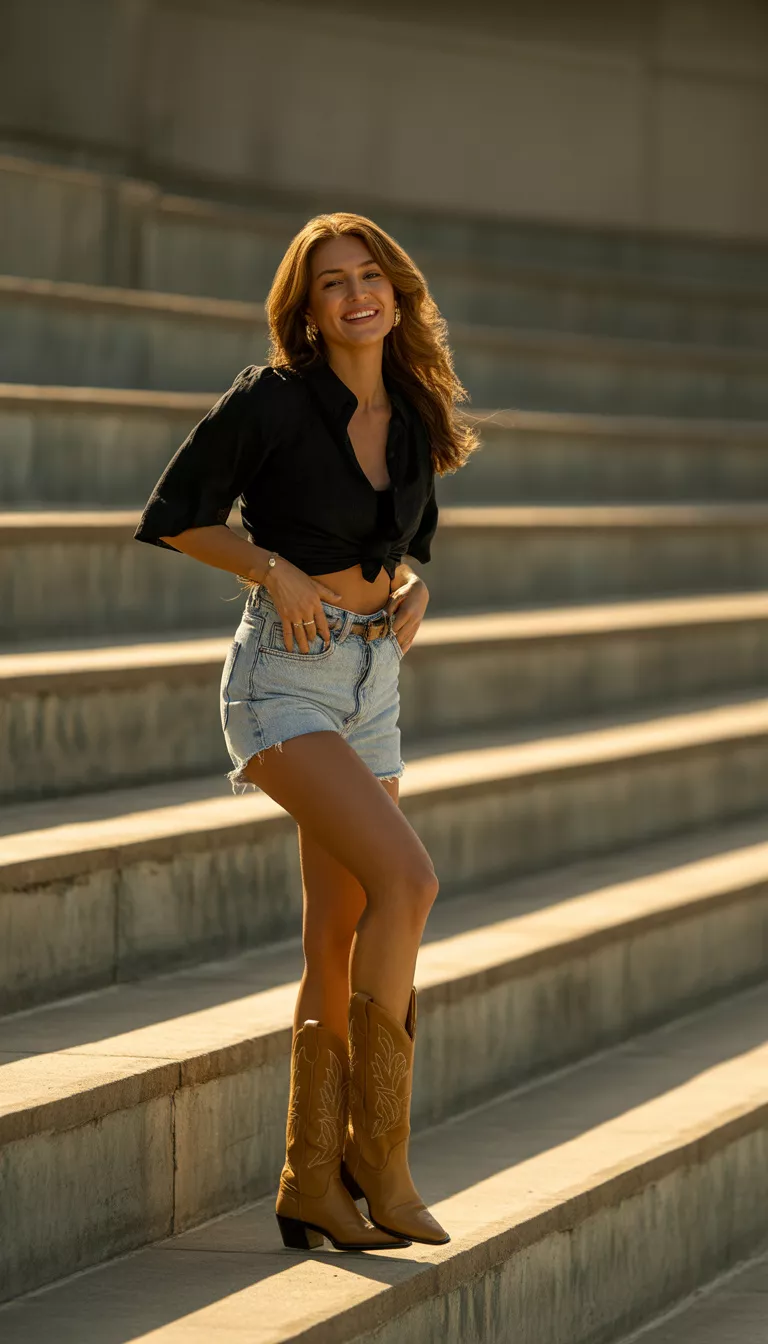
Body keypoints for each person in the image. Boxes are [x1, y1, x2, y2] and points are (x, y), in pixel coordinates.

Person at [134, 211, 479, 1252]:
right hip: (284, 678)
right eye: (332, 282)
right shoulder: (271, 402)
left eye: (371, 275)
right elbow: (178, 512)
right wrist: (269, 568)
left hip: (372, 678)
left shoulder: (412, 408)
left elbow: (389, 544)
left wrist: (410, 591)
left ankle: (309, 1184)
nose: (356, 294)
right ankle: (381, 1162)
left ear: (398, 292)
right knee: (408, 884)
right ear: (307, 308)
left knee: (337, 930)